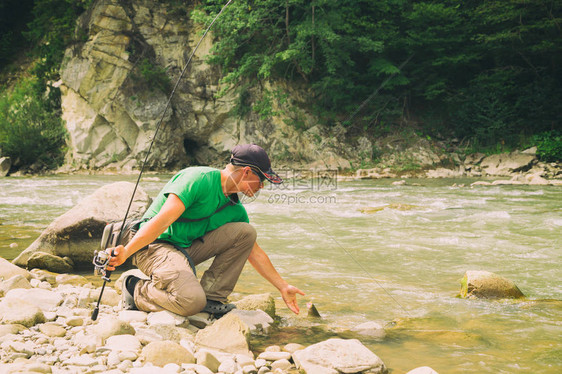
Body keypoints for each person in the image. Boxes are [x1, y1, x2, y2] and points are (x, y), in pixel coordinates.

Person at [106, 144, 304, 317]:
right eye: (261, 180)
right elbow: (162, 221)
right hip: (154, 245)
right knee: (190, 301)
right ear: (246, 172)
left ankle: (211, 299)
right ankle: (135, 288)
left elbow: (255, 253)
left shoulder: (235, 210)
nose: (261, 187)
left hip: (184, 249)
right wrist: (127, 251)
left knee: (246, 233)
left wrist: (283, 286)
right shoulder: (198, 179)